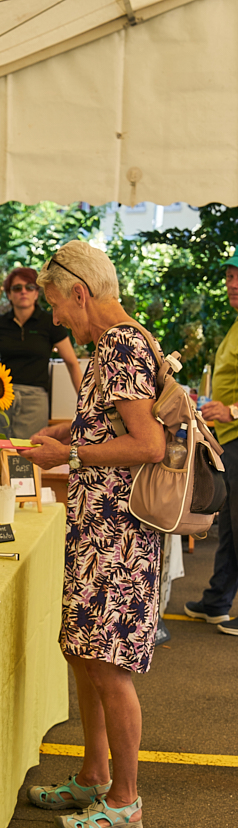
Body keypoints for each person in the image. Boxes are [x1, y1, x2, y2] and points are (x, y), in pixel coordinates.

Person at [19, 240, 165, 828]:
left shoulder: (123, 344)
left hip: (119, 538)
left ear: (80, 292)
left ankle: (125, 800)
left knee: (108, 667)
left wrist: (71, 451)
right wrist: (72, 429)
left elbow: (148, 444)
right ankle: (94, 773)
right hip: (98, 531)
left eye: (55, 303)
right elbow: (116, 424)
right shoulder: (113, 345)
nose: (53, 316)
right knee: (83, 651)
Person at [184, 251, 238, 635]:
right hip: (231, 441)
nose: (233, 283)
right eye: (230, 275)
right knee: (231, 526)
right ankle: (216, 601)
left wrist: (232, 411)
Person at [0, 266, 83, 438]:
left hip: (35, 399)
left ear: (36, 293)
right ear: (9, 294)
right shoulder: (0, 323)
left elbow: (72, 362)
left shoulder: (50, 323)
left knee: (28, 456)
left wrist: (84, 403)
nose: (23, 292)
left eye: (29, 287)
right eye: (17, 288)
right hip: (2, 397)